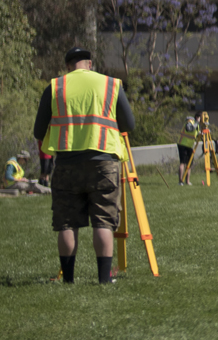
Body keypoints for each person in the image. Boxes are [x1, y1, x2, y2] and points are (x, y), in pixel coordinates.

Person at [32, 48, 136, 284]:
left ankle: (68, 280)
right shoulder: (110, 85)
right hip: (104, 163)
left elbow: (38, 131)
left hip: (67, 164)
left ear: (68, 66)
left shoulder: (55, 87)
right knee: (103, 221)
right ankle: (103, 279)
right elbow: (129, 124)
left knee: (67, 223)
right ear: (89, 63)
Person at [177, 116, 198, 185]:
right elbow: (189, 129)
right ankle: (181, 181)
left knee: (189, 164)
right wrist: (197, 122)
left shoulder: (196, 125)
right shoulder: (190, 122)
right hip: (183, 145)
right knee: (183, 162)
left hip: (189, 145)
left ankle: (187, 181)